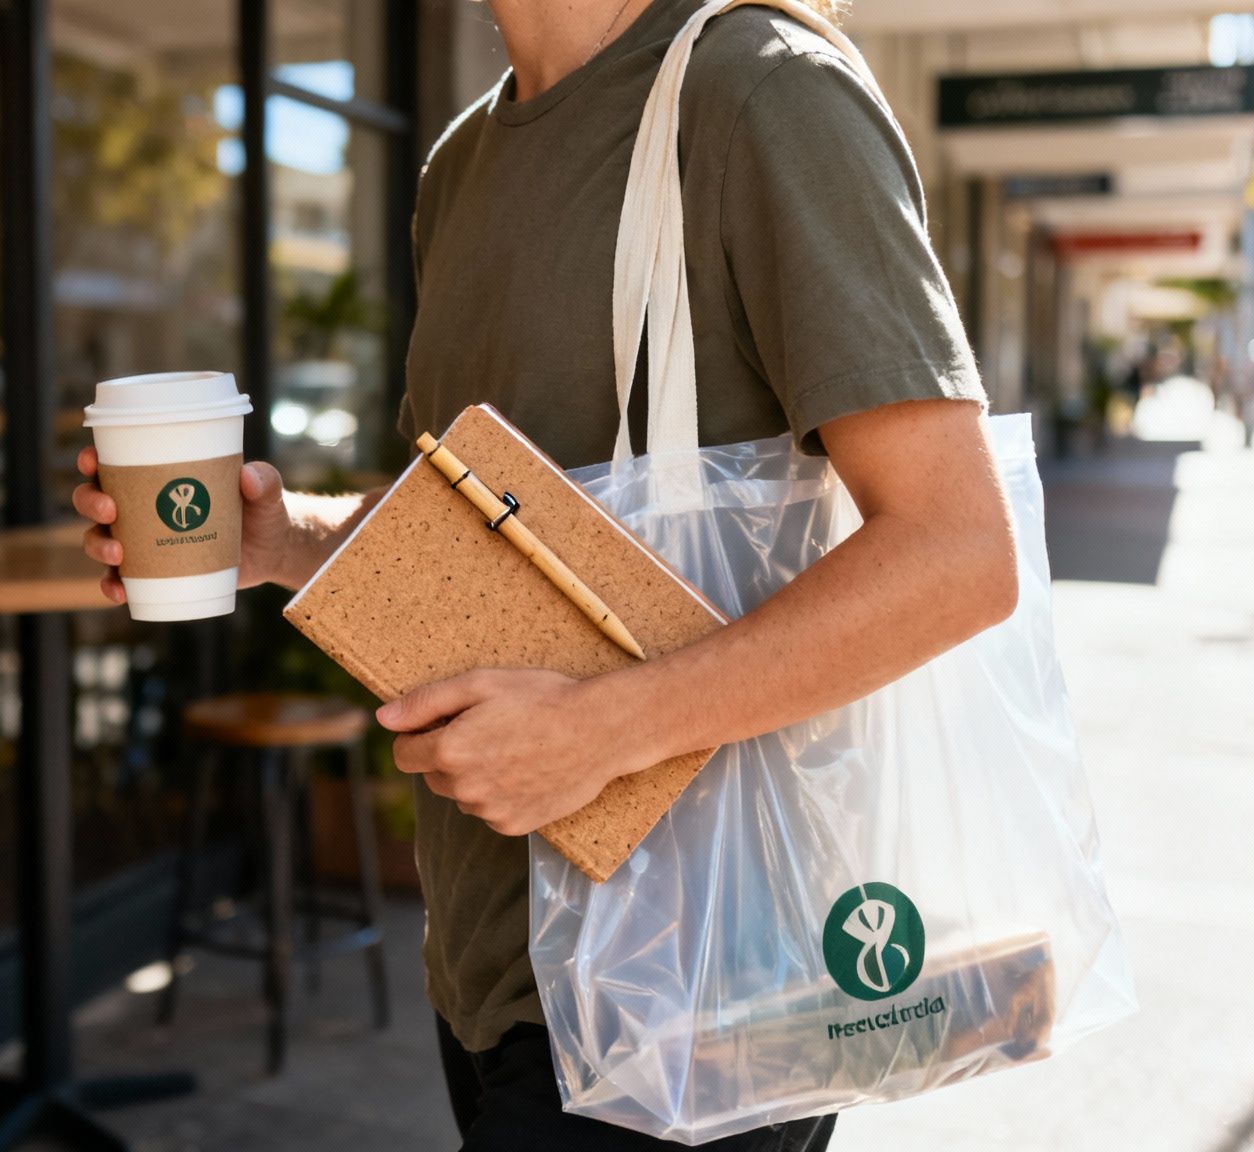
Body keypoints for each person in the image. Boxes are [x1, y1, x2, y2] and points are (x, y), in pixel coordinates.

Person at [75, 1, 1017, 1147]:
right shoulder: (462, 161)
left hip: (705, 966)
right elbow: (474, 524)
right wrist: (283, 539)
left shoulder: (761, 95)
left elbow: (954, 552)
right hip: (491, 966)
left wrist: (601, 730)